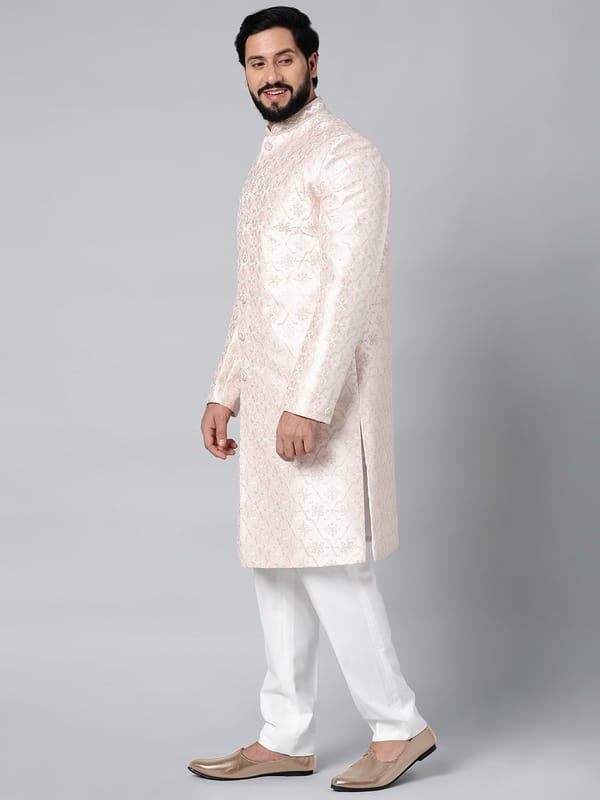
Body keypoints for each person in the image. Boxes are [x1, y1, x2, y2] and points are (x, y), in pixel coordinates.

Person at [188, 6, 437, 792]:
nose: (271, 76)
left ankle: (399, 727)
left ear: (313, 62)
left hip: (319, 402)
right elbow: (255, 295)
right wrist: (225, 389)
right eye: (257, 64)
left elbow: (347, 289)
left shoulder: (347, 154)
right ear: (245, 73)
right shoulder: (270, 159)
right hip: (267, 398)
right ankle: (285, 735)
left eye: (284, 60)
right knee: (276, 566)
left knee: (331, 566)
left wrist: (310, 402)